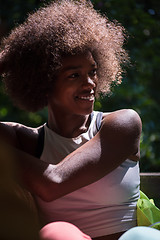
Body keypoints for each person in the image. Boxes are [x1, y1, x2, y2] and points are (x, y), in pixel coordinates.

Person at [0, 0, 143, 239]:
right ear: (43, 82)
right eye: (74, 74)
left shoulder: (121, 124)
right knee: (57, 231)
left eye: (93, 71)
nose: (90, 83)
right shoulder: (25, 140)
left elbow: (53, 183)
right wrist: (12, 60)